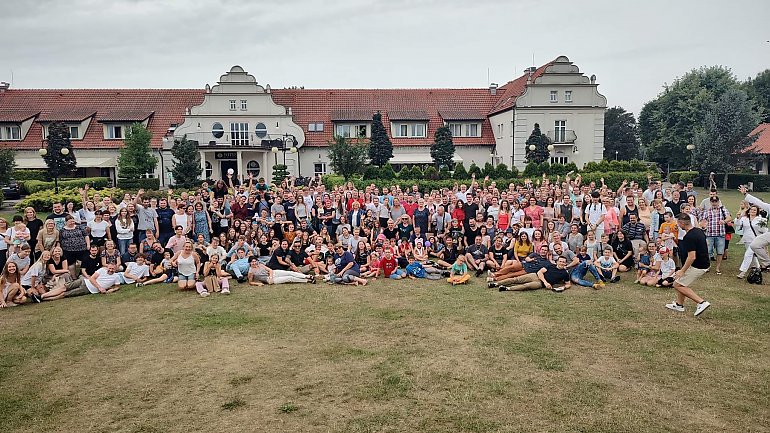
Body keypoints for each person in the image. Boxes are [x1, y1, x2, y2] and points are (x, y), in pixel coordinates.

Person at [666, 213, 711, 316]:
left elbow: (692, 257)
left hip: (698, 265)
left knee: (677, 285)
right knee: (681, 282)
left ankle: (701, 302)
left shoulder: (689, 237)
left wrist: (682, 270)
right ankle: (679, 305)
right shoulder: (698, 231)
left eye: (678, 223)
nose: (677, 225)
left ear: (682, 223)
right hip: (703, 262)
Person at [496, 256, 572, 292]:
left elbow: (568, 284)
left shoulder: (565, 273)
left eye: (563, 262)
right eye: (560, 261)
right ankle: (496, 283)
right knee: (516, 279)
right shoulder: (551, 265)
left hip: (540, 284)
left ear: (565, 263)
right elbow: (540, 272)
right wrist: (546, 282)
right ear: (557, 261)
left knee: (526, 286)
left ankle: (507, 288)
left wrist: (563, 287)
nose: (561, 263)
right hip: (535, 276)